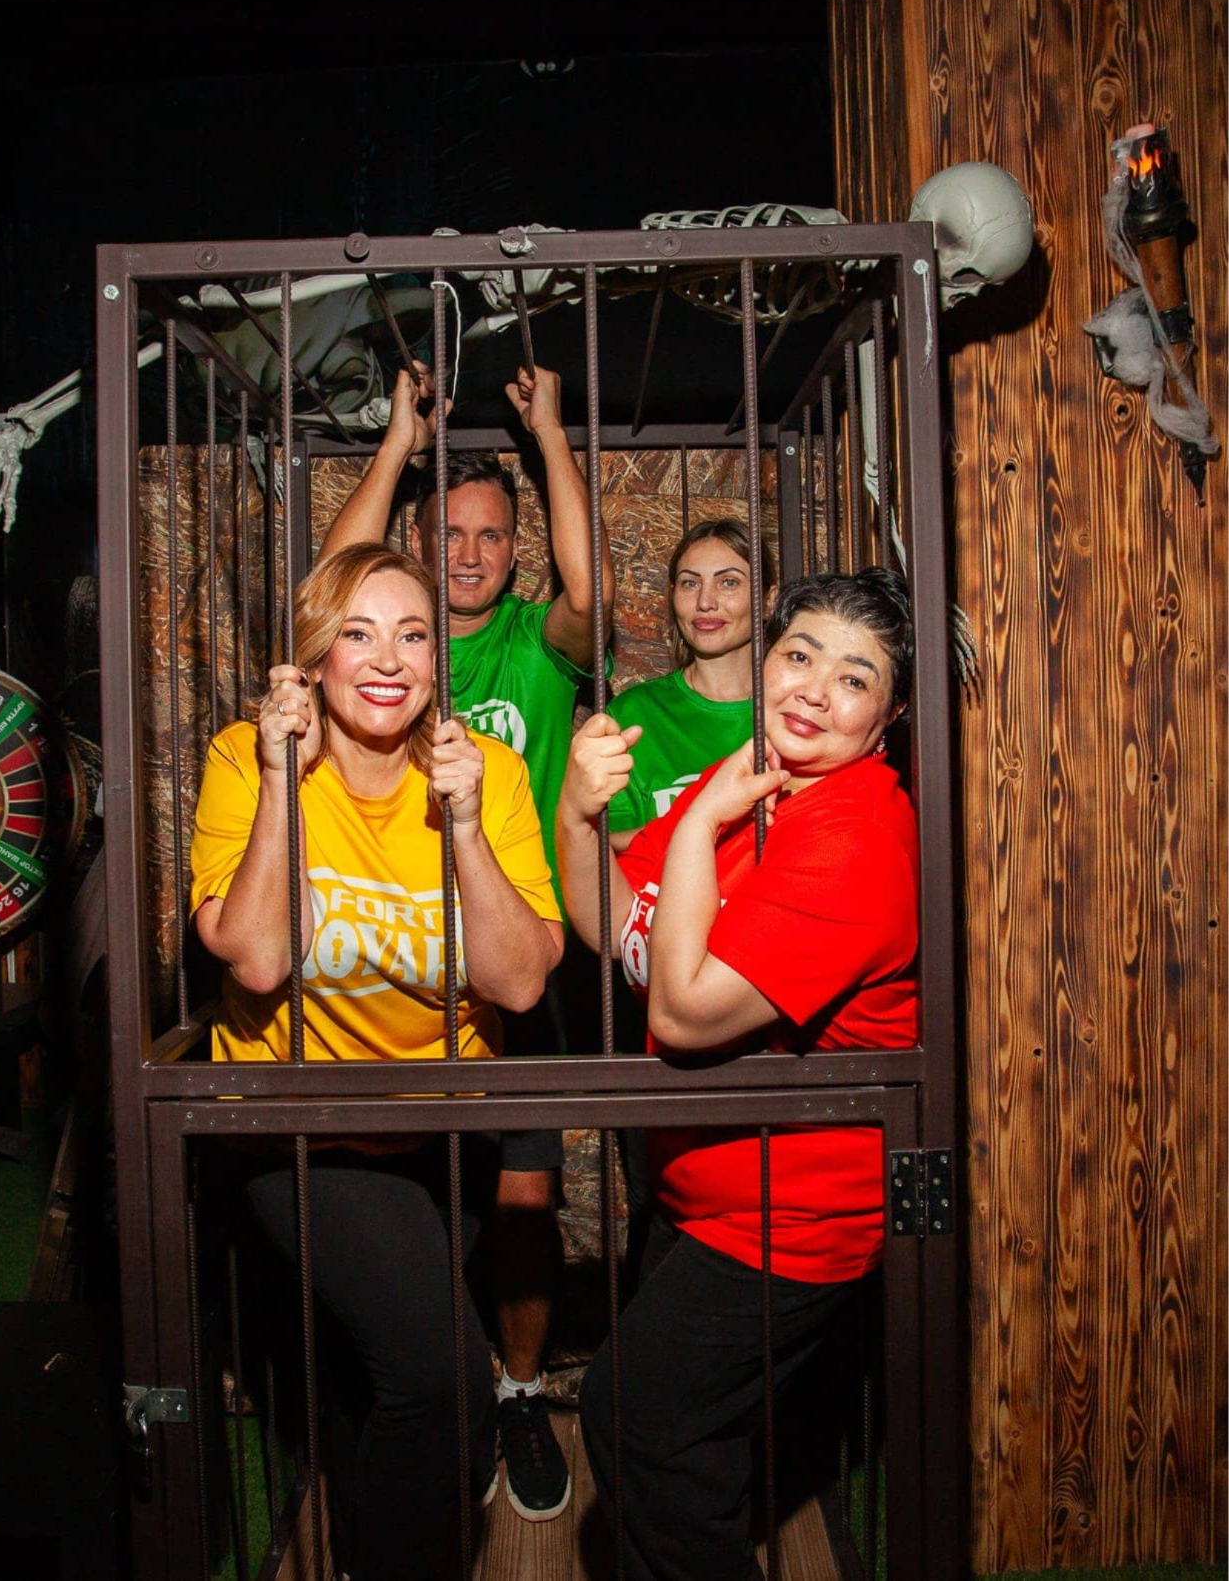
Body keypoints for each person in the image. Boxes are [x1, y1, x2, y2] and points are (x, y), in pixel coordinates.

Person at [189, 542, 563, 1580]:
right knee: (443, 1382)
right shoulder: (247, 758)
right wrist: (280, 779)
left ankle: (363, 1545)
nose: (388, 659)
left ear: (440, 660)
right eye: (356, 634)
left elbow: (518, 984)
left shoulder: (485, 774)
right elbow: (257, 959)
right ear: (313, 657)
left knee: (383, 1383)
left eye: (412, 635)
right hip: (304, 1134)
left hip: (447, 1131)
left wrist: (465, 826)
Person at [557, 568, 919, 1581]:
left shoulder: (851, 836)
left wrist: (700, 815)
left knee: (634, 1421)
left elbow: (678, 1012)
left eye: (854, 677)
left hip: (789, 1219)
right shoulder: (757, 784)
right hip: (702, 1191)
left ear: (887, 717)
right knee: (681, 1461)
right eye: (799, 654)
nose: (814, 690)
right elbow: (612, 924)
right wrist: (579, 814)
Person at [318, 359, 612, 1521]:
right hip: (384, 960)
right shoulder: (383, 649)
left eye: (493, 534)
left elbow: (590, 592)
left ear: (514, 549)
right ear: (419, 544)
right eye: (449, 532)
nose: (472, 552)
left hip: (512, 956)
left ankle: (518, 1394)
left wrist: (550, 435)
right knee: (407, 1194)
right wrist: (397, 442)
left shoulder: (538, 644)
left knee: (523, 1194)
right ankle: (425, 1388)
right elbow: (330, 589)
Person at [606, 518, 777, 851]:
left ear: (769, 601)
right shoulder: (635, 714)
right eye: (689, 583)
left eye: (729, 582)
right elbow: (603, 845)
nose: (705, 602)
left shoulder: (796, 713)